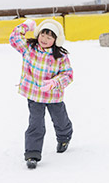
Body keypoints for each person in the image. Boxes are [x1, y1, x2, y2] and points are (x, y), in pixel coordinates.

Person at [9, 18, 74, 169]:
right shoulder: (29, 48)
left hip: (53, 95)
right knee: (35, 123)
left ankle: (64, 137)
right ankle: (32, 153)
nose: (44, 39)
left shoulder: (60, 56)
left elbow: (68, 75)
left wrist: (54, 83)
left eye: (49, 37)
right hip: (34, 95)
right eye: (43, 35)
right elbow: (14, 38)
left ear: (56, 40)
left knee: (60, 120)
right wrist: (26, 26)